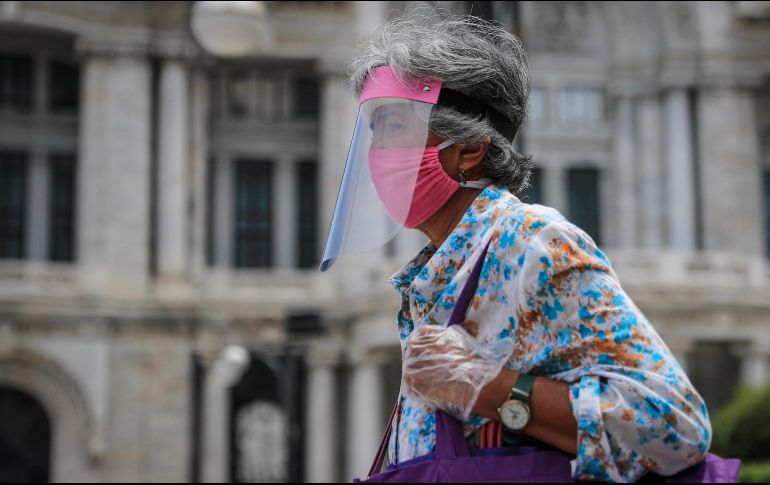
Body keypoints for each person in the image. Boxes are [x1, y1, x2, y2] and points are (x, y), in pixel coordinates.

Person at [320, 14, 711, 483]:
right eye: (373, 131)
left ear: (467, 150)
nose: (374, 152)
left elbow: (675, 423)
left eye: (393, 127)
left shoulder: (532, 243)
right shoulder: (436, 274)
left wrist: (484, 385)